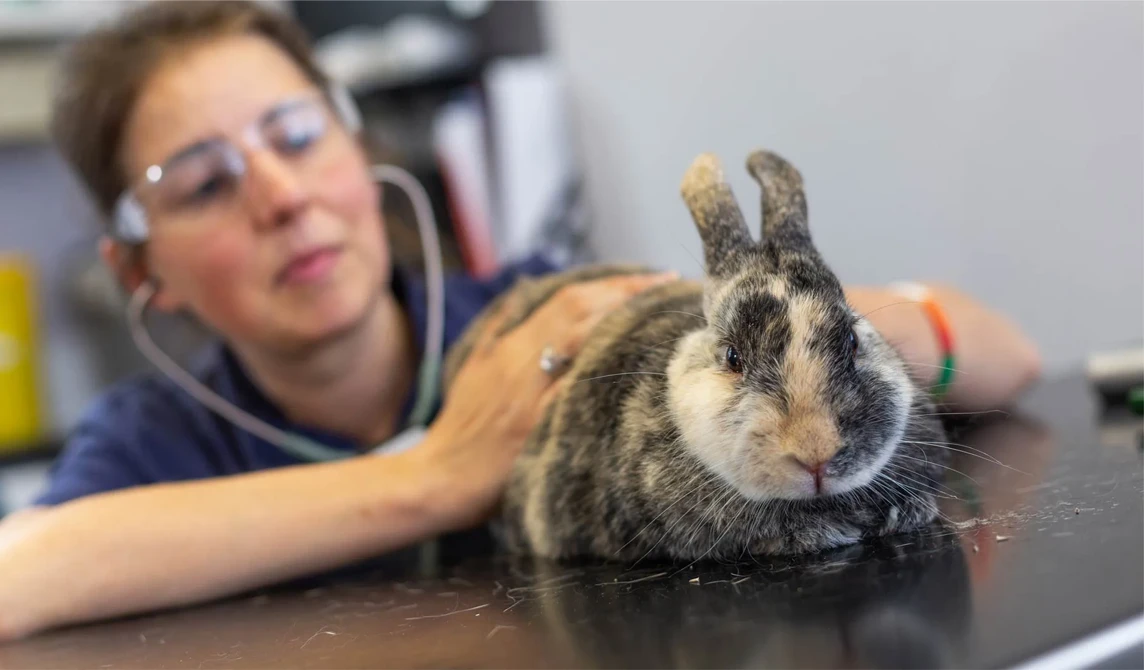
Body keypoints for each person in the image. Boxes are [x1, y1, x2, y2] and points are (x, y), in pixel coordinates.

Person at [0, 0, 1041, 641]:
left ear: (358, 153)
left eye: (297, 133)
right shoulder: (158, 438)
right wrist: (435, 473)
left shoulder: (539, 315)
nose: (282, 195)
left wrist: (804, 335)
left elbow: (1002, 349)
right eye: (204, 183)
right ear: (144, 271)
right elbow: (20, 574)